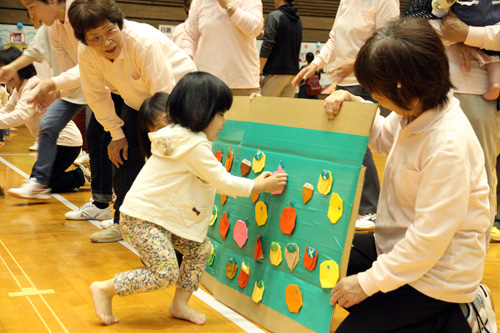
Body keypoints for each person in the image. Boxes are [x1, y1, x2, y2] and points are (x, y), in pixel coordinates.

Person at [324, 18, 495, 332]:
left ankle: (456, 315)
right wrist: (354, 104)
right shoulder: (414, 112)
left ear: (409, 91)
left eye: (377, 93)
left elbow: (426, 243)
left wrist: (366, 284)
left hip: (437, 278)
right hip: (395, 247)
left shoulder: (448, 146)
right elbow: (381, 137)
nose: (374, 97)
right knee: (322, 255)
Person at [88, 72, 287, 326]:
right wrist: (259, 185)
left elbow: (212, 179)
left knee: (199, 249)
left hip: (158, 219)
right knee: (165, 272)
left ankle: (179, 304)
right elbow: (222, 181)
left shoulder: (186, 140)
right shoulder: (192, 146)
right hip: (143, 220)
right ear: (199, 114)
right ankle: (106, 288)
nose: (224, 122)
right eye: (221, 114)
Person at [67, 0, 196, 243]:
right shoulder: (87, 54)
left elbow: (163, 93)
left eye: (110, 31)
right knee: (122, 154)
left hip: (176, 96)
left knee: (172, 156)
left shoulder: (143, 41)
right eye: (95, 38)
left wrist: (162, 140)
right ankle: (123, 223)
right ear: (84, 40)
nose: (106, 42)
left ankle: (178, 225)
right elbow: (96, 95)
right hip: (138, 101)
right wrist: (117, 134)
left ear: (119, 24)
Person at [292, 0, 400, 231]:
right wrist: (316, 64)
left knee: (359, 146)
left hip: (368, 82)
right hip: (344, 85)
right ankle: (353, 206)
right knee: (343, 148)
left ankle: (371, 209)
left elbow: (388, 44)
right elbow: (334, 39)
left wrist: (355, 64)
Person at [427, 1, 500, 243]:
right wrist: (454, 39)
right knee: (435, 177)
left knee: (477, 180)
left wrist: (469, 34)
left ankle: (471, 269)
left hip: (479, 91)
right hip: (436, 87)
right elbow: (417, 21)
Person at [0, 47, 88, 195]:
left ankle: (82, 175)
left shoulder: (32, 86)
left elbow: (21, 115)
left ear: (17, 66)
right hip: (52, 143)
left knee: (43, 184)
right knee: (38, 182)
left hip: (65, 142)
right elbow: (7, 110)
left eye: (3, 68)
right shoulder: (18, 89)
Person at [405, 0, 500, 101]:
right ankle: (495, 82)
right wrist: (457, 40)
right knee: (493, 58)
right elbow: (411, 21)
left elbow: (416, 18)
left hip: (471, 88)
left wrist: (467, 34)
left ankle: (495, 82)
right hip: (440, 79)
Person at [182, 0, 264, 96]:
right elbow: (190, 36)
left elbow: (254, 29)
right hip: (207, 83)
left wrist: (228, 5)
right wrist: (186, 65)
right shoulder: (198, 2)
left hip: (243, 83)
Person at [259, 0, 302, 97]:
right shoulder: (298, 20)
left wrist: (258, 71)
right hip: (293, 74)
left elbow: (267, 45)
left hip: (276, 72)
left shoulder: (274, 16)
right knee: (283, 111)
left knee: (264, 109)